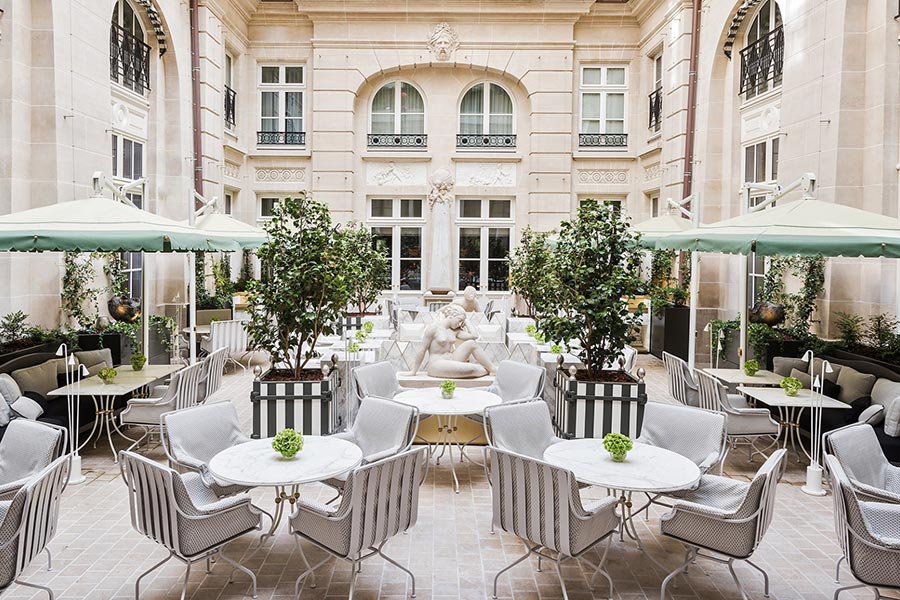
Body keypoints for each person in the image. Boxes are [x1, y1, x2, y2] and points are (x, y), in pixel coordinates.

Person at [408, 303, 495, 378]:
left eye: (462, 322)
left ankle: (492, 369)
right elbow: (422, 350)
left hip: (452, 359)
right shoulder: (433, 328)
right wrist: (414, 371)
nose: (460, 324)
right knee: (472, 369)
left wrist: (467, 321)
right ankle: (486, 370)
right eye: (459, 320)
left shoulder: (454, 331)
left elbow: (474, 336)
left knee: (471, 343)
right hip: (437, 363)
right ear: (452, 316)